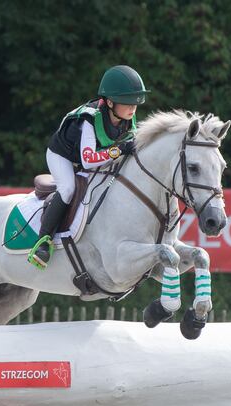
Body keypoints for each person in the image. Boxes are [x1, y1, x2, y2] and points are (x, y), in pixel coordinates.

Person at [28, 64, 149, 269]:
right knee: (68, 189)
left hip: (92, 157)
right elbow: (88, 160)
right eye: (127, 103)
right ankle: (42, 242)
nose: (132, 108)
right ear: (110, 102)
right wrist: (119, 151)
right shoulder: (90, 120)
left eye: (135, 103)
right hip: (63, 157)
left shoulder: (127, 118)